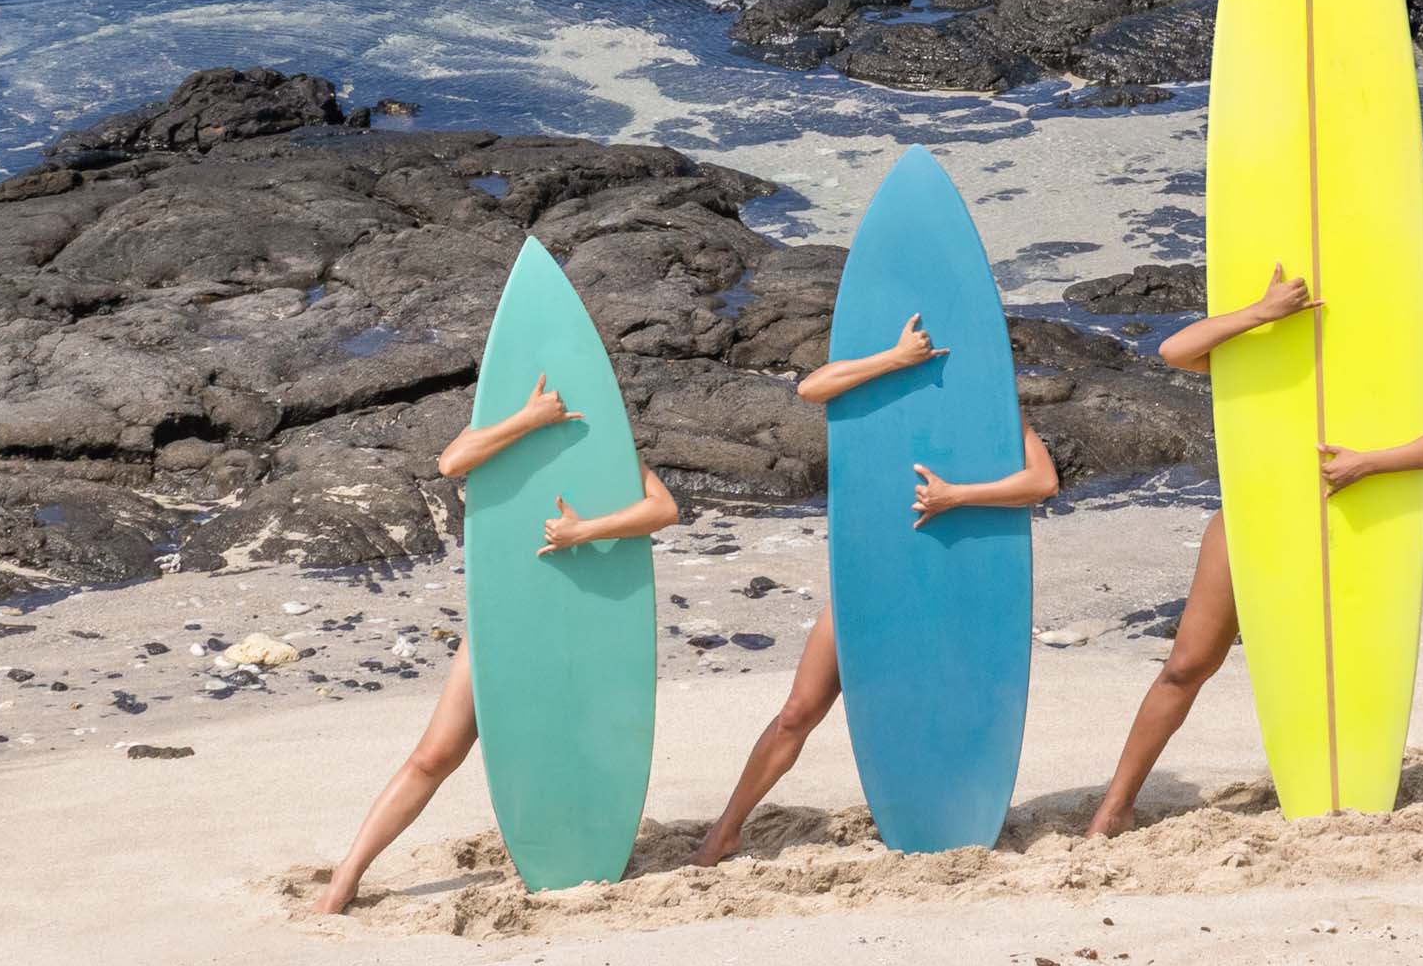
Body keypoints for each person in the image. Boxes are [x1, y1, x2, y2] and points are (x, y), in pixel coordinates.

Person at [1082, 269, 1423, 835]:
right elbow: (1175, 350)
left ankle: (1336, 789)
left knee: (1329, 667)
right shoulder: (1259, 360)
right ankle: (1116, 806)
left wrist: (1367, 462)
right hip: (1250, 523)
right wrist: (1261, 313)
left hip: (1341, 532)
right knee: (1187, 664)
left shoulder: (1381, 377)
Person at [309, 371, 684, 914]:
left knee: (567, 749)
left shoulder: (605, 446)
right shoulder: (501, 435)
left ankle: (575, 861)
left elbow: (664, 510)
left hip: (579, 627)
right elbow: (451, 463)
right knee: (434, 755)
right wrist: (527, 420)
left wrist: (587, 531)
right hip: (502, 623)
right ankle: (346, 878)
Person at [697, 313, 1061, 862]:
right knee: (798, 711)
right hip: (868, 583)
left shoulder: (992, 405)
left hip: (941, 589)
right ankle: (725, 830)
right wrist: (895, 359)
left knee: (931, 712)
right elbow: (811, 387)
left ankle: (947, 822)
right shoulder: (878, 388)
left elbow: (1043, 481)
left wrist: (956, 496)